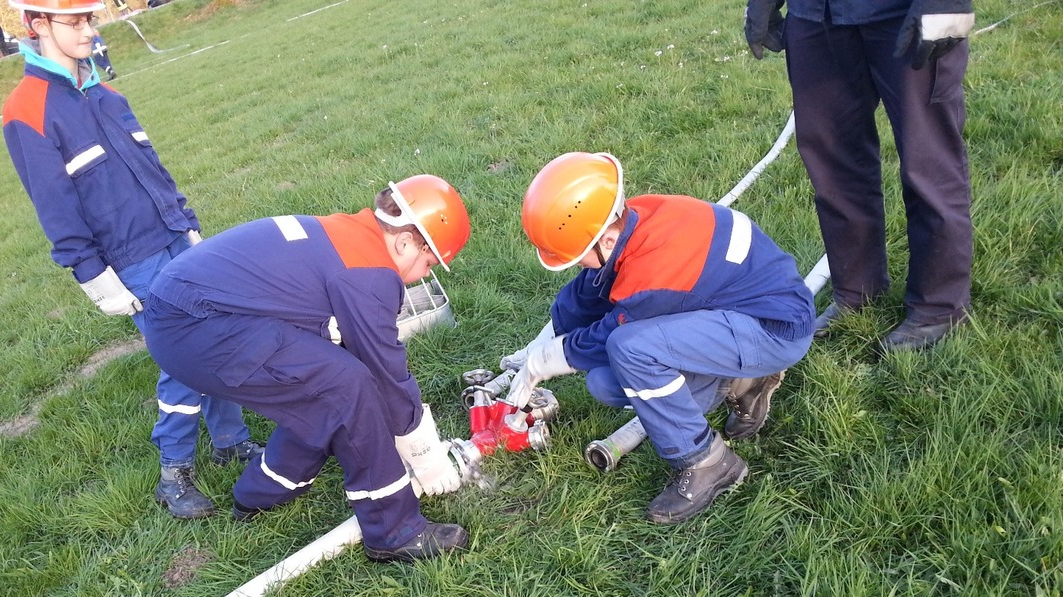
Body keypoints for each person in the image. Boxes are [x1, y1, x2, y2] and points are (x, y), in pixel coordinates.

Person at [1, 0, 259, 519]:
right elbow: (54, 204)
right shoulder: (26, 109)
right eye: (75, 21)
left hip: (171, 235)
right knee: (182, 358)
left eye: (90, 19)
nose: (88, 30)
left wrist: (185, 223)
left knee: (216, 335)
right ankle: (174, 473)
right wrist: (92, 274)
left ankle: (230, 440)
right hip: (129, 259)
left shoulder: (106, 91)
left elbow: (150, 162)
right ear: (37, 25)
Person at [139, 176, 472, 563]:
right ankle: (394, 530)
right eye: (429, 262)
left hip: (182, 312)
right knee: (348, 384)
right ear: (404, 242)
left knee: (325, 389)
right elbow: (386, 374)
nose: (425, 275)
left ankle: (257, 494)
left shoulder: (348, 234)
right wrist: (425, 454)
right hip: (195, 326)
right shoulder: (370, 272)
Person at [501, 152, 814, 524]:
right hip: (733, 314)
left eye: (577, 256)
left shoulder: (656, 270)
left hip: (773, 330)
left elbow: (610, 334)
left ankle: (707, 463)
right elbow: (590, 289)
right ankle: (743, 380)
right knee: (606, 382)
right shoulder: (636, 219)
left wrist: (546, 361)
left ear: (605, 238)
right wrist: (538, 346)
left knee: (629, 349)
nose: (576, 265)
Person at [745, 0, 974, 352]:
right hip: (816, 16)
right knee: (832, 160)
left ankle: (938, 307)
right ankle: (857, 289)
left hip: (905, 12)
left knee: (927, 160)